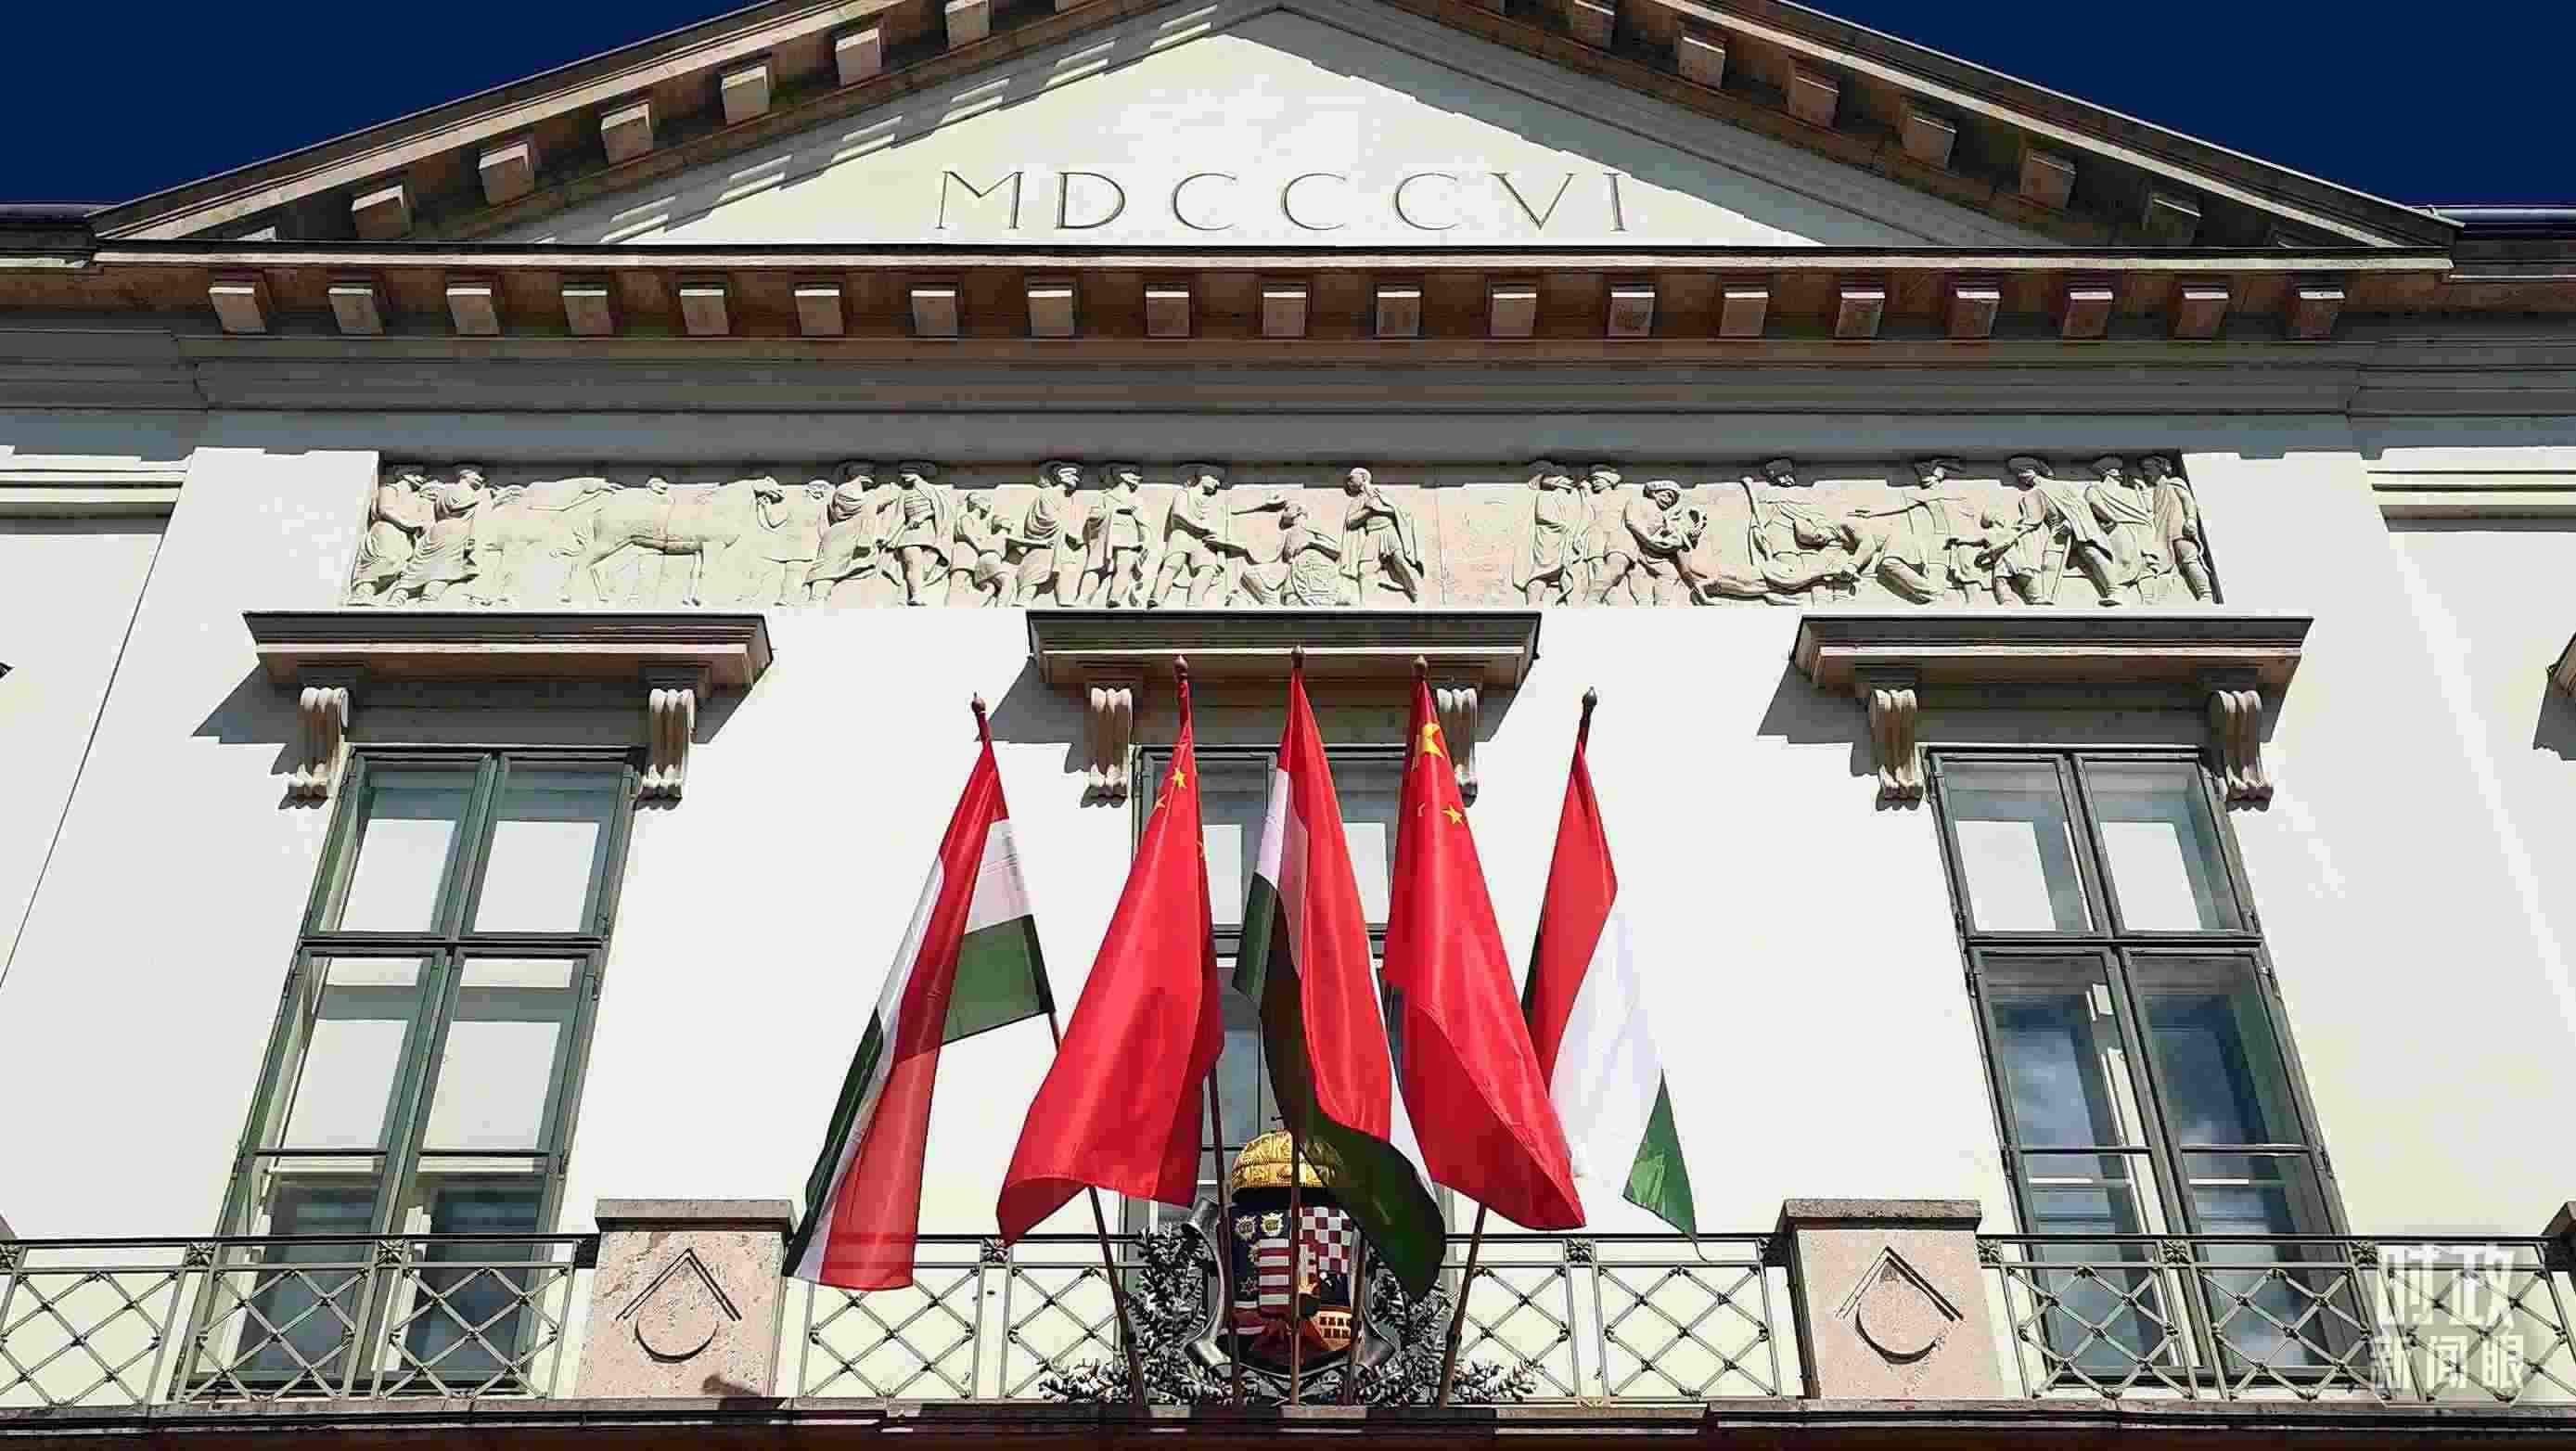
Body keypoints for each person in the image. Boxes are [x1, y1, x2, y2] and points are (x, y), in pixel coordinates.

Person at [805, 464, 896, 606]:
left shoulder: (863, 494)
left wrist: (886, 498)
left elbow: (866, 506)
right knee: (828, 568)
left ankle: (823, 599)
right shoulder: (845, 490)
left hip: (853, 535)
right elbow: (860, 506)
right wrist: (882, 498)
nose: (873, 476)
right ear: (857, 474)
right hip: (840, 536)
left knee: (839, 567)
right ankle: (815, 599)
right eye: (868, 473)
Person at [1337, 466, 1424, 604]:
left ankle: (1418, 594)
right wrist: (1368, 511)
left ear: (1363, 477)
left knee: (1400, 562)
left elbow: (1397, 512)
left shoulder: (1379, 493)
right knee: (1365, 569)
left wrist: (1379, 508)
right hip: (1373, 534)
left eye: (1352, 478)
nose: (1349, 481)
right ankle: (1367, 604)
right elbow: (1350, 522)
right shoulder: (1358, 500)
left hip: (1389, 530)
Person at [2141, 454, 2213, 601]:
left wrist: (2191, 520)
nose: (2146, 473)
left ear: (2160, 468)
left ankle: (2206, 594)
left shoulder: (2174, 482)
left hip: (2178, 528)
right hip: (2163, 531)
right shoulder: (2155, 490)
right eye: (2144, 470)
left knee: (2189, 558)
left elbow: (2188, 501)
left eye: (2148, 468)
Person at [1512, 461, 1584, 605]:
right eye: (1566, 479)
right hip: (1548, 539)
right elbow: (1543, 516)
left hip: (1565, 540)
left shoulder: (1569, 498)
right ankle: (1533, 602)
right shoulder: (1545, 496)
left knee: (1566, 570)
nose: (1569, 482)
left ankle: (1571, 601)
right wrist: (1563, 527)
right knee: (1541, 571)